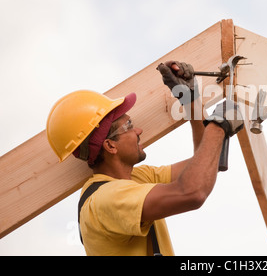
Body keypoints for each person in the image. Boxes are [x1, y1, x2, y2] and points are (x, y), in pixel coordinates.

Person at [46, 61, 243, 256]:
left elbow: (207, 165)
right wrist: (218, 126)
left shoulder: (136, 178)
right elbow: (192, 192)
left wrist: (191, 99)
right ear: (110, 146)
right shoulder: (106, 200)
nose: (138, 130)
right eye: (129, 125)